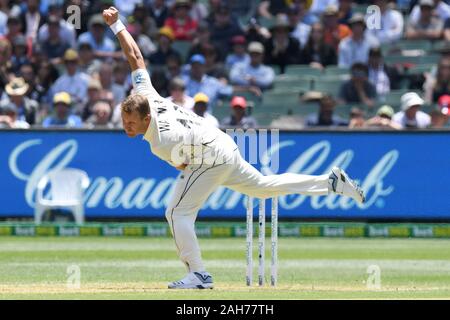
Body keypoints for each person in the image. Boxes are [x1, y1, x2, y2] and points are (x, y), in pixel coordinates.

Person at [101, 6, 365, 289]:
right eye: (124, 121)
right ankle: (330, 182)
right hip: (223, 143)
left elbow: (185, 166)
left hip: (210, 157)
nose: (127, 126)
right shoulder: (145, 94)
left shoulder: (161, 143)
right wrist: (117, 25)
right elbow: (135, 57)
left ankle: (199, 275)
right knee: (263, 186)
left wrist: (203, 174)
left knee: (178, 213)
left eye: (131, 122)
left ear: (146, 118)